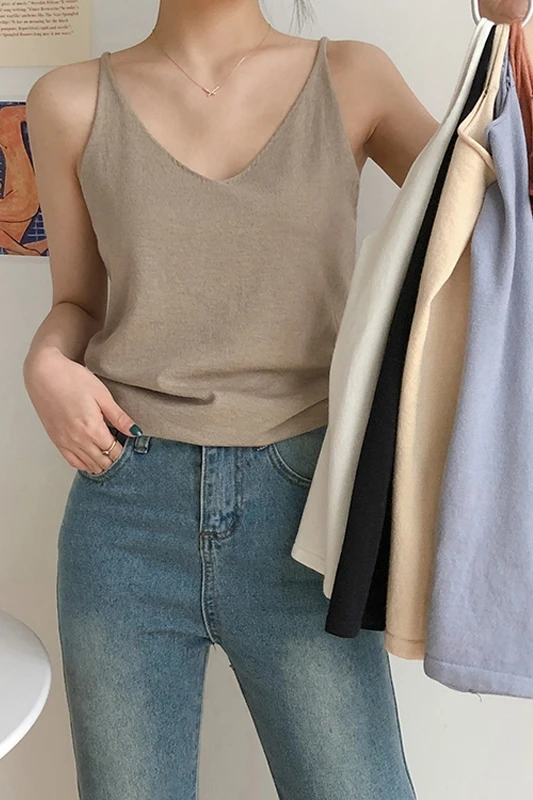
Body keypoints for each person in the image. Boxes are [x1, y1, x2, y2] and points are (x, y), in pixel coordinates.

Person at [22, 1, 528, 798]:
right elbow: (78, 302)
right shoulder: (68, 99)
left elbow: (498, 220)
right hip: (124, 509)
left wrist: (513, 37)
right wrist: (44, 366)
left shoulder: (351, 76)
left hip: (304, 509)